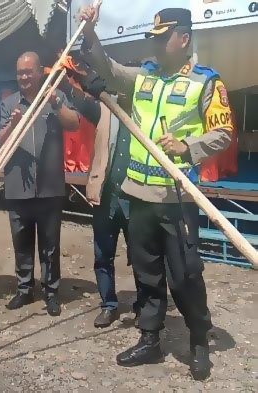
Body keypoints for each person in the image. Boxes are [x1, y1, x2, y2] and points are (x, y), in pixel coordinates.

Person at [80, 5, 233, 380]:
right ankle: (149, 338)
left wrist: (188, 147)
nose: (158, 45)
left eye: (164, 38)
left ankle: (199, 340)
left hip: (176, 199)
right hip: (138, 196)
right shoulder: (143, 78)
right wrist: (89, 33)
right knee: (147, 273)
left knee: (185, 275)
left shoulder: (206, 82)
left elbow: (224, 132)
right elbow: (109, 70)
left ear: (183, 38)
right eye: (155, 38)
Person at [0, 52, 83, 316]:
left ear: (40, 72)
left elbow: (74, 124)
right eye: (20, 72)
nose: (23, 77)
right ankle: (23, 289)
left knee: (50, 242)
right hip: (18, 183)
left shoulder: (55, 97)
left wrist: (55, 103)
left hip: (49, 185)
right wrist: (13, 125)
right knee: (21, 240)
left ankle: (51, 292)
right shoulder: (9, 103)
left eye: (28, 71)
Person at [86, 92, 143, 328]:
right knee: (102, 256)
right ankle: (108, 305)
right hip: (107, 196)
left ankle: (144, 306)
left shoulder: (145, 114)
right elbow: (80, 104)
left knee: (142, 257)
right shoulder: (104, 109)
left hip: (138, 199)